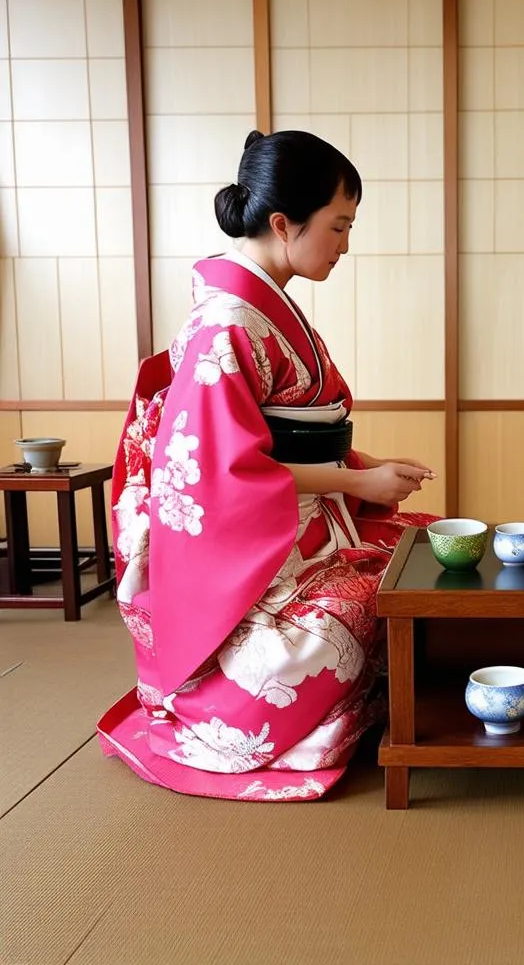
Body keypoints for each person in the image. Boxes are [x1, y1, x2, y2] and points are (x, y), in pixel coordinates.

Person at [98, 130, 437, 801]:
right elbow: (222, 471)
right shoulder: (227, 322)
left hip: (302, 517)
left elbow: (290, 440)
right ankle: (236, 709)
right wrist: (356, 481)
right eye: (339, 225)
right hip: (254, 547)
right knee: (359, 614)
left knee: (421, 558)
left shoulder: (261, 310)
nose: (345, 243)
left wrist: (362, 469)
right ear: (284, 224)